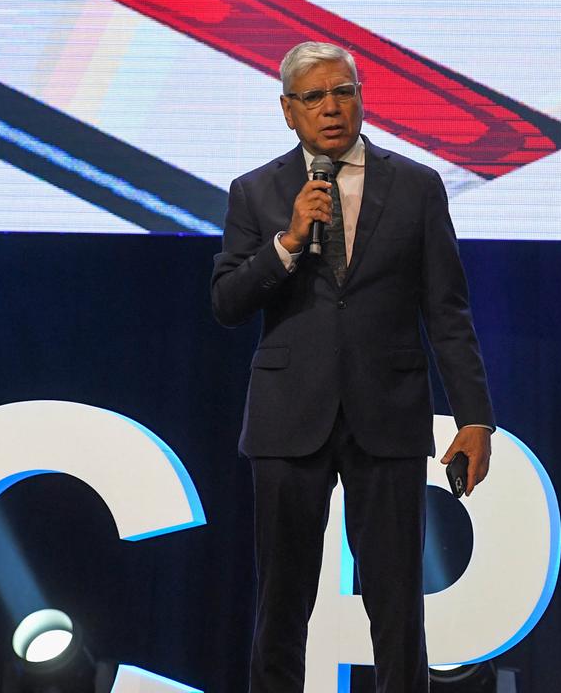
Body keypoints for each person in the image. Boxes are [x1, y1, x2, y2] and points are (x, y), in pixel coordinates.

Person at [211, 41, 495, 693]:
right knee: (280, 606)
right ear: (289, 111)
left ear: (361, 99)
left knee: (398, 607)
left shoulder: (418, 187)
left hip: (387, 414)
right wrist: (286, 244)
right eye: (314, 97)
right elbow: (226, 301)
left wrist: (476, 418)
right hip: (290, 419)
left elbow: (447, 312)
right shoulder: (256, 193)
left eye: (345, 92)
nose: (332, 108)